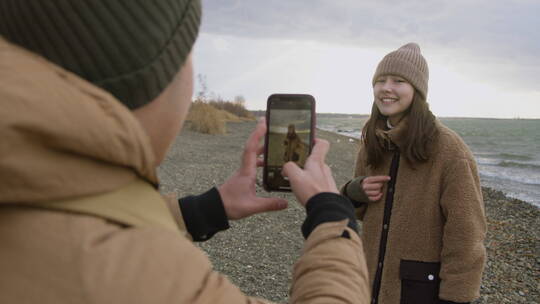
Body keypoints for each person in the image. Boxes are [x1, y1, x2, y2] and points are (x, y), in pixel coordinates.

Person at [0, 1, 370, 303]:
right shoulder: (125, 273)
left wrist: (204, 210)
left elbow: (76, 218)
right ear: (153, 78)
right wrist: (331, 215)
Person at [341, 43, 486, 304]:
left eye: (398, 81)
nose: (386, 88)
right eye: (380, 81)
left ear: (416, 90)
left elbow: (467, 232)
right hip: (368, 283)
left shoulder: (448, 149)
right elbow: (358, 212)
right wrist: (355, 191)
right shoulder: (373, 142)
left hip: (419, 291)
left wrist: (455, 297)